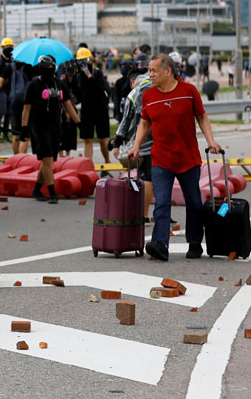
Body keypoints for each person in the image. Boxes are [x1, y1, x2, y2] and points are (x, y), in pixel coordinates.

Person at [128, 54, 222, 261]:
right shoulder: (149, 96)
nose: (150, 75)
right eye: (149, 71)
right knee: (161, 203)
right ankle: (160, 244)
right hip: (161, 159)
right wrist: (136, 147)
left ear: (167, 71)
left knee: (194, 203)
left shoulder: (189, 92)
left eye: (154, 70)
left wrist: (211, 141)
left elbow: (202, 117)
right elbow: (144, 123)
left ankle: (195, 243)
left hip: (188, 159)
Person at [20, 55, 80, 204]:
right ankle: (52, 193)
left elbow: (68, 105)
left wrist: (78, 123)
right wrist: (24, 128)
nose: (48, 71)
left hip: (56, 127)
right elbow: (26, 109)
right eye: (45, 69)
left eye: (50, 68)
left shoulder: (59, 84)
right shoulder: (33, 85)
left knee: (49, 161)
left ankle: (36, 190)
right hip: (39, 127)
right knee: (47, 159)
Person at [109, 55, 153, 220]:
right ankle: (155, 214)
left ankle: (142, 214)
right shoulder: (159, 88)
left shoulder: (134, 94)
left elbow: (125, 121)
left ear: (133, 82)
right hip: (162, 140)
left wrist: (117, 143)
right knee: (158, 176)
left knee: (144, 176)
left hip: (140, 141)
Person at [74, 47, 112, 168]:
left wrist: (90, 76)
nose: (83, 64)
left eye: (85, 60)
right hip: (87, 110)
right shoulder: (78, 77)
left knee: (102, 139)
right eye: (81, 61)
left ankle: (107, 162)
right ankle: (88, 166)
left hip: (100, 109)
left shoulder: (97, 73)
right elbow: (78, 95)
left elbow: (102, 90)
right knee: (88, 139)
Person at [0, 37, 16, 141]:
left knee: (9, 112)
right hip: (0, 89)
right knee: (1, 110)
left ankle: (6, 135)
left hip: (10, 89)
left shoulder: (12, 61)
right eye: (7, 46)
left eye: (11, 46)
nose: (9, 48)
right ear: (2, 47)